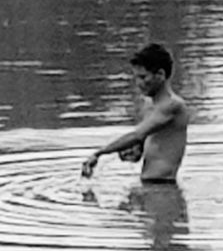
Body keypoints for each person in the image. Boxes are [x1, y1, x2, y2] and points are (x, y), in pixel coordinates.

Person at [81, 42, 189, 183]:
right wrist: (133, 152)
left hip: (162, 186)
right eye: (136, 77)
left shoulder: (172, 105)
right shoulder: (150, 105)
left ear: (161, 74)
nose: (138, 83)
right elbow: (149, 144)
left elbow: (137, 135)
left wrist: (100, 153)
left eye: (143, 77)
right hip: (150, 185)